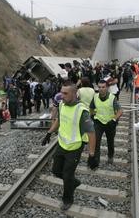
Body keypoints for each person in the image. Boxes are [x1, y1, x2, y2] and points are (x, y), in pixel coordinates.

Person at [41, 80, 96, 211]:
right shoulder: (61, 105)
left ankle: (68, 199)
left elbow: (92, 134)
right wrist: (49, 133)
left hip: (75, 148)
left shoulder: (82, 111)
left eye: (65, 93)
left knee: (67, 175)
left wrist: (92, 155)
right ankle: (74, 182)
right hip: (61, 144)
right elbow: (59, 120)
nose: (62, 95)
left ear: (74, 94)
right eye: (61, 92)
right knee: (55, 171)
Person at [90, 80, 123, 166]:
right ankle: (96, 160)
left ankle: (110, 156)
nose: (101, 89)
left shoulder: (112, 98)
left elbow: (120, 111)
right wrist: (92, 115)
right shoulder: (95, 97)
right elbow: (91, 108)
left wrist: (114, 120)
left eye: (103, 87)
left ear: (107, 88)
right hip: (98, 122)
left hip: (110, 123)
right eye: (99, 87)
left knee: (110, 141)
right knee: (96, 141)